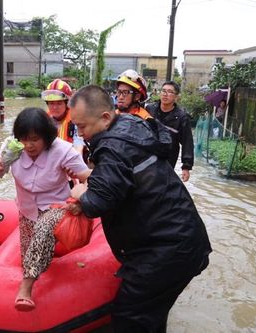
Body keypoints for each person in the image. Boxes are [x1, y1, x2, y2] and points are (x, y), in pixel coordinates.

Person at [68, 85, 211, 333]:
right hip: (182, 242)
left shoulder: (112, 145)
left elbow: (97, 203)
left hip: (165, 251)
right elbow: (124, 174)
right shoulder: (130, 128)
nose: (80, 134)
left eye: (82, 127)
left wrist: (81, 193)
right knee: (150, 316)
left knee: (129, 317)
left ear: (104, 118)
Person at [6, 107, 90, 311]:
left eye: (34, 139)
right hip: (27, 209)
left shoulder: (63, 151)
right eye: (24, 139)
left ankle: (26, 288)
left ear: (46, 137)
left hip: (57, 206)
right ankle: (39, 274)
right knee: (28, 254)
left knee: (44, 229)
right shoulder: (13, 147)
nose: (28, 145)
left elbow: (90, 178)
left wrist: (80, 193)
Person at [146, 81, 194, 182]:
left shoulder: (181, 117)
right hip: (148, 154)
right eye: (163, 91)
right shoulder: (150, 109)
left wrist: (186, 167)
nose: (165, 94)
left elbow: (187, 142)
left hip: (168, 158)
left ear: (176, 96)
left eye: (169, 92)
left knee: (161, 184)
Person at [41, 79, 84, 151]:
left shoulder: (76, 122)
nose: (55, 107)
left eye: (59, 103)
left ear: (67, 103)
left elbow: (78, 148)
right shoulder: (42, 121)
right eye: (51, 103)